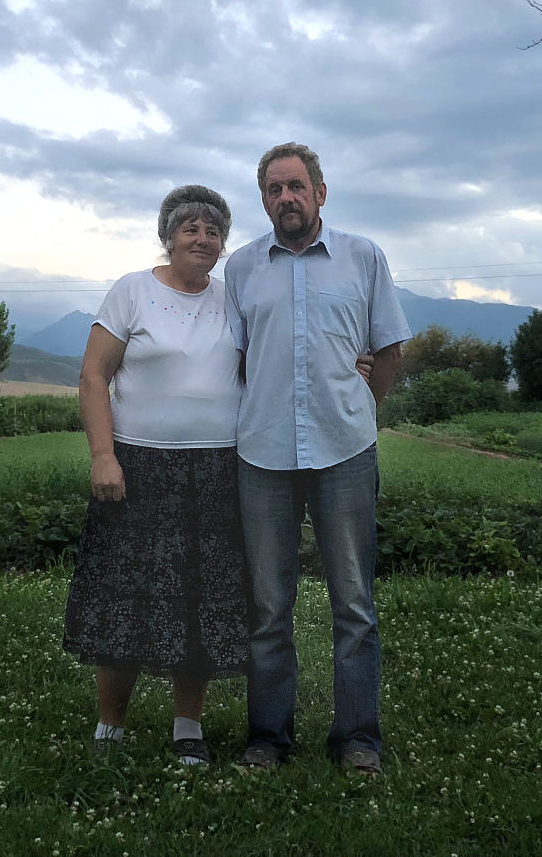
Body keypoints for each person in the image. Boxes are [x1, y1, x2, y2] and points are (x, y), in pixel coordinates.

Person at [225, 142, 411, 776]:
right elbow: (238, 358)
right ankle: (268, 738)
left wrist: (359, 405)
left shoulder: (363, 257)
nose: (287, 198)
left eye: (296, 186)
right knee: (267, 607)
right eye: (274, 189)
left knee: (353, 603)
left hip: (344, 452)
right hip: (263, 455)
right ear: (264, 201)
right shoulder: (242, 267)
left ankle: (358, 738)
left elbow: (388, 348)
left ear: (321, 193)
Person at [62, 185, 248, 766]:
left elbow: (271, 363)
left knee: (199, 598)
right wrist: (103, 456)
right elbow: (94, 376)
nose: (203, 239)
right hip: (138, 466)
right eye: (190, 228)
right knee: (124, 595)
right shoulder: (132, 290)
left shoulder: (233, 299)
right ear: (168, 237)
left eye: (213, 231)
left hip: (215, 470)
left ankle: (188, 726)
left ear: (223, 244)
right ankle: (110, 726)